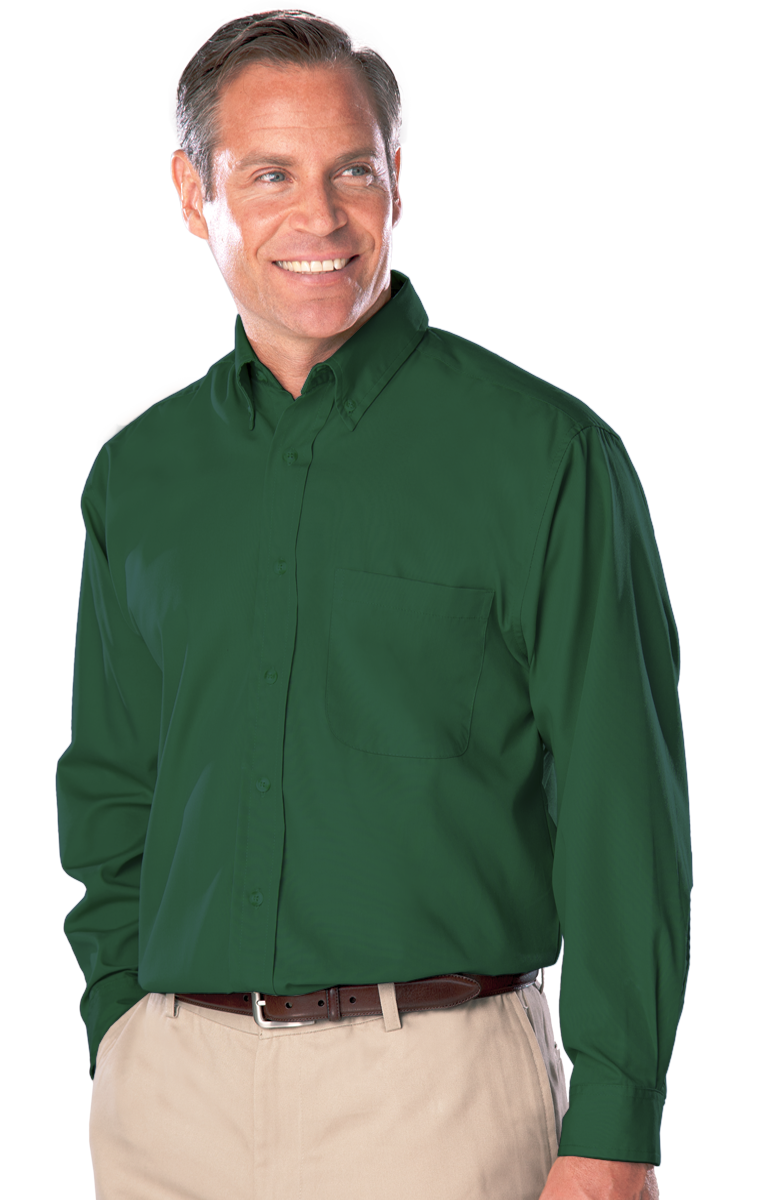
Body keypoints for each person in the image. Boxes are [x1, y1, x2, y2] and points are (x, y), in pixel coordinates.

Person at [56, 11, 690, 1200]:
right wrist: (119, 1029)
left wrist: (614, 1125)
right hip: (169, 1102)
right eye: (269, 175)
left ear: (397, 179)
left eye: (352, 170)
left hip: (435, 1101)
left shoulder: (543, 455)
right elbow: (112, 782)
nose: (322, 217)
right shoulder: (139, 469)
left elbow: (624, 807)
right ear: (194, 194)